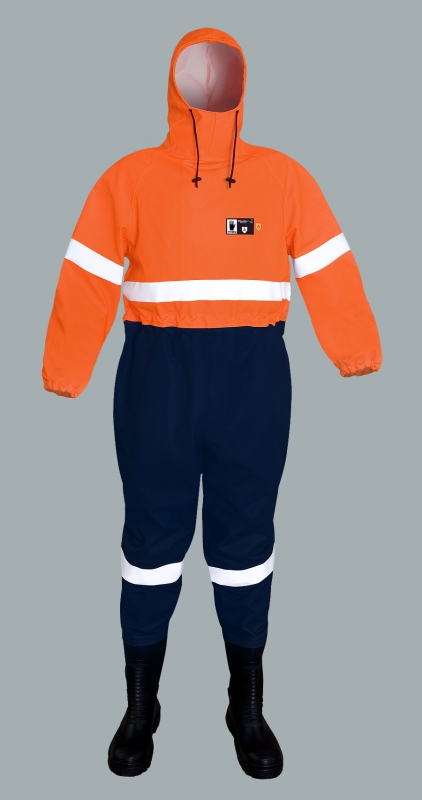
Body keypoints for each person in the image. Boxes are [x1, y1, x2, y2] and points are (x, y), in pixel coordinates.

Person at [41, 27, 382, 780]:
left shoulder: (282, 178)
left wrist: (355, 347)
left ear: (243, 83)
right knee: (150, 546)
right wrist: (66, 365)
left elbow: (328, 263)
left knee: (245, 543)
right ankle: (141, 704)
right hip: (156, 380)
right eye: (196, 71)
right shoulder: (129, 178)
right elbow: (87, 275)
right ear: (174, 84)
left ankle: (246, 704)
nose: (209, 81)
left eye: (222, 70)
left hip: (251, 384)